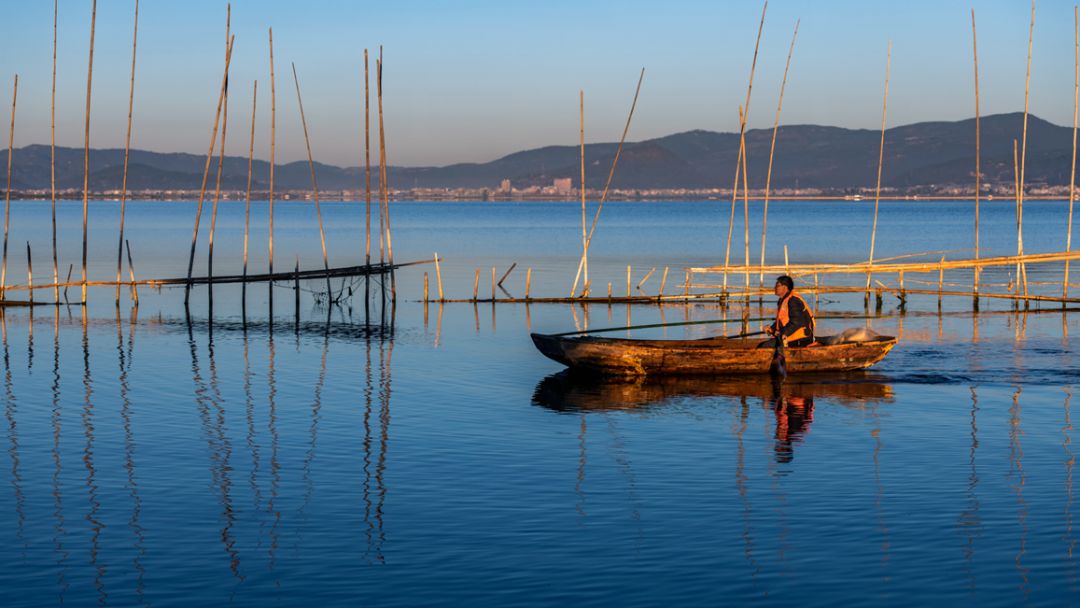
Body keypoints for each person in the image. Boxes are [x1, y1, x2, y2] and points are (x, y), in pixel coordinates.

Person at [760, 275, 815, 348]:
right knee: (762, 345)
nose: (775, 288)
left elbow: (796, 322)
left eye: (778, 285)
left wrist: (782, 333)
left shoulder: (793, 301)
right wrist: (772, 328)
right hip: (789, 336)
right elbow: (782, 321)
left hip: (801, 339)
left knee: (765, 346)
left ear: (785, 287)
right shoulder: (783, 300)